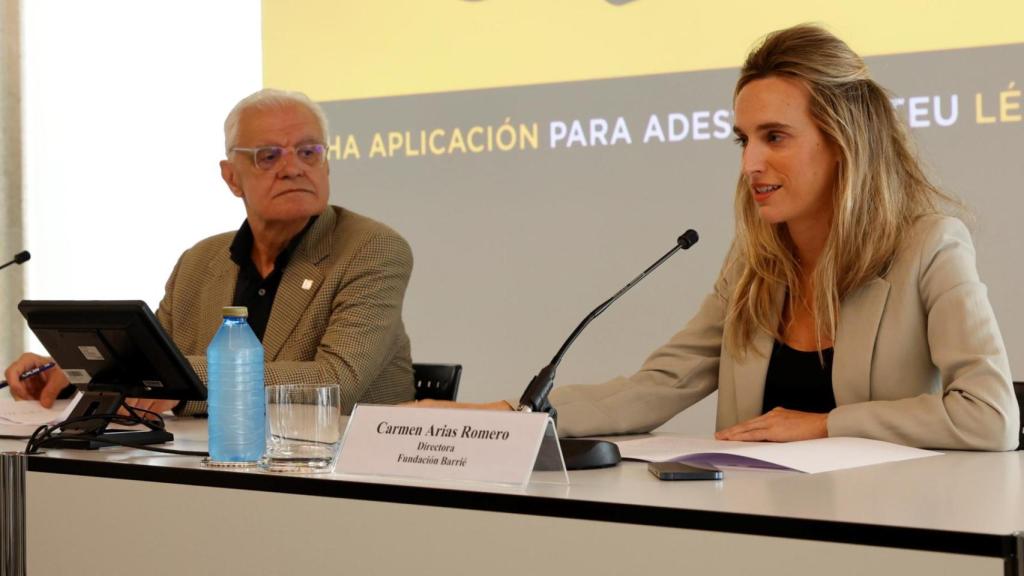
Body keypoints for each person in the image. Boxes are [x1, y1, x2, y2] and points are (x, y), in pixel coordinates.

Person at [421, 25, 1020, 451]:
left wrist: (824, 424)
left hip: (892, 534)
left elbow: (989, 416)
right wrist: (508, 418)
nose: (750, 163)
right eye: (743, 140)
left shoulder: (930, 247)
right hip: (748, 527)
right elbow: (658, 387)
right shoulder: (755, 263)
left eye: (775, 137)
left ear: (844, 142)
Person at [5, 89, 415, 415]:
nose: (293, 168)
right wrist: (77, 374)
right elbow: (152, 362)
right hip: (214, 470)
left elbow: (334, 382)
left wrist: (183, 383)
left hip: (346, 478)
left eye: (309, 152)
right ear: (231, 177)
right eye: (268, 156)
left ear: (326, 165)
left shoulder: (371, 249)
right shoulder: (200, 262)